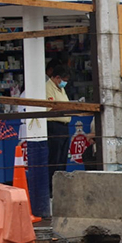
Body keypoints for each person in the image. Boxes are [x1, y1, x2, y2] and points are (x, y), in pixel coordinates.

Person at [46, 65, 72, 194]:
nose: (64, 83)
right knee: (54, 159)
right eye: (64, 80)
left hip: (64, 126)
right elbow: (52, 107)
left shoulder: (61, 89)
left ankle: (61, 187)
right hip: (54, 126)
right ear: (57, 78)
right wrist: (68, 107)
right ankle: (52, 188)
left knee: (62, 158)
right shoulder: (48, 88)